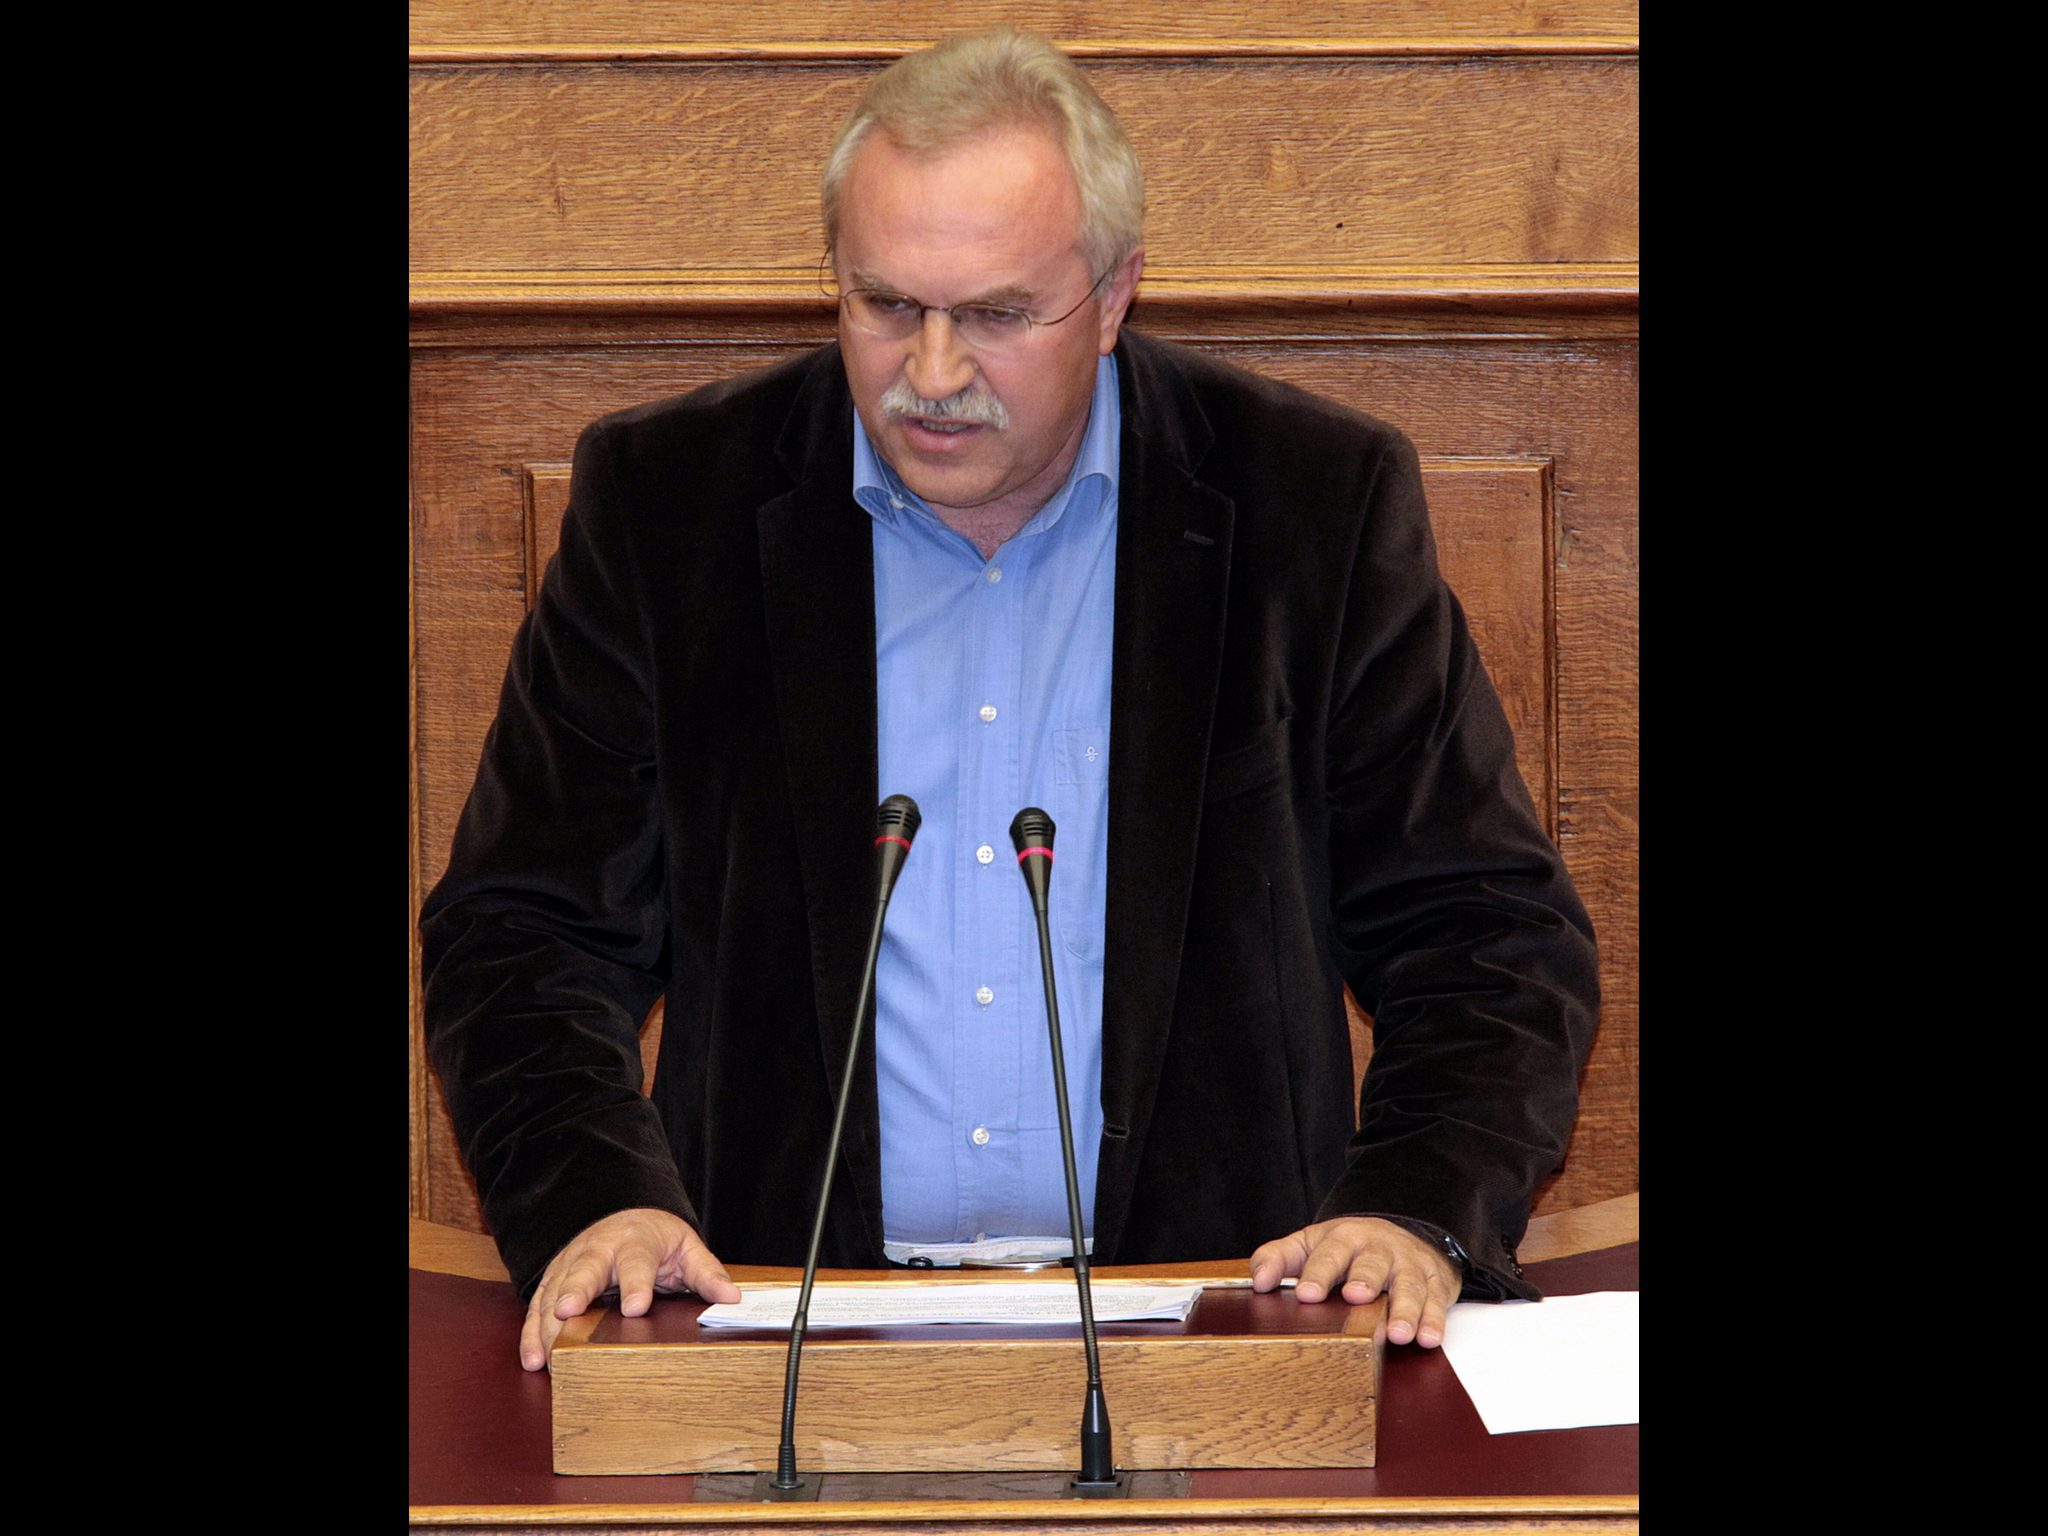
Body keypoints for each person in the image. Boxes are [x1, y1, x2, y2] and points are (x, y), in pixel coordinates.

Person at [421, 28, 1599, 1375]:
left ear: (1113, 294)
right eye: (884, 305)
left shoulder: (1307, 506)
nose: (930, 373)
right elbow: (524, 933)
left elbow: (1484, 934)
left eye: (993, 315)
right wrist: (598, 1202)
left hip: (1219, 1326)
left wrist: (1412, 1211)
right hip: (780, 1330)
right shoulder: (669, 506)